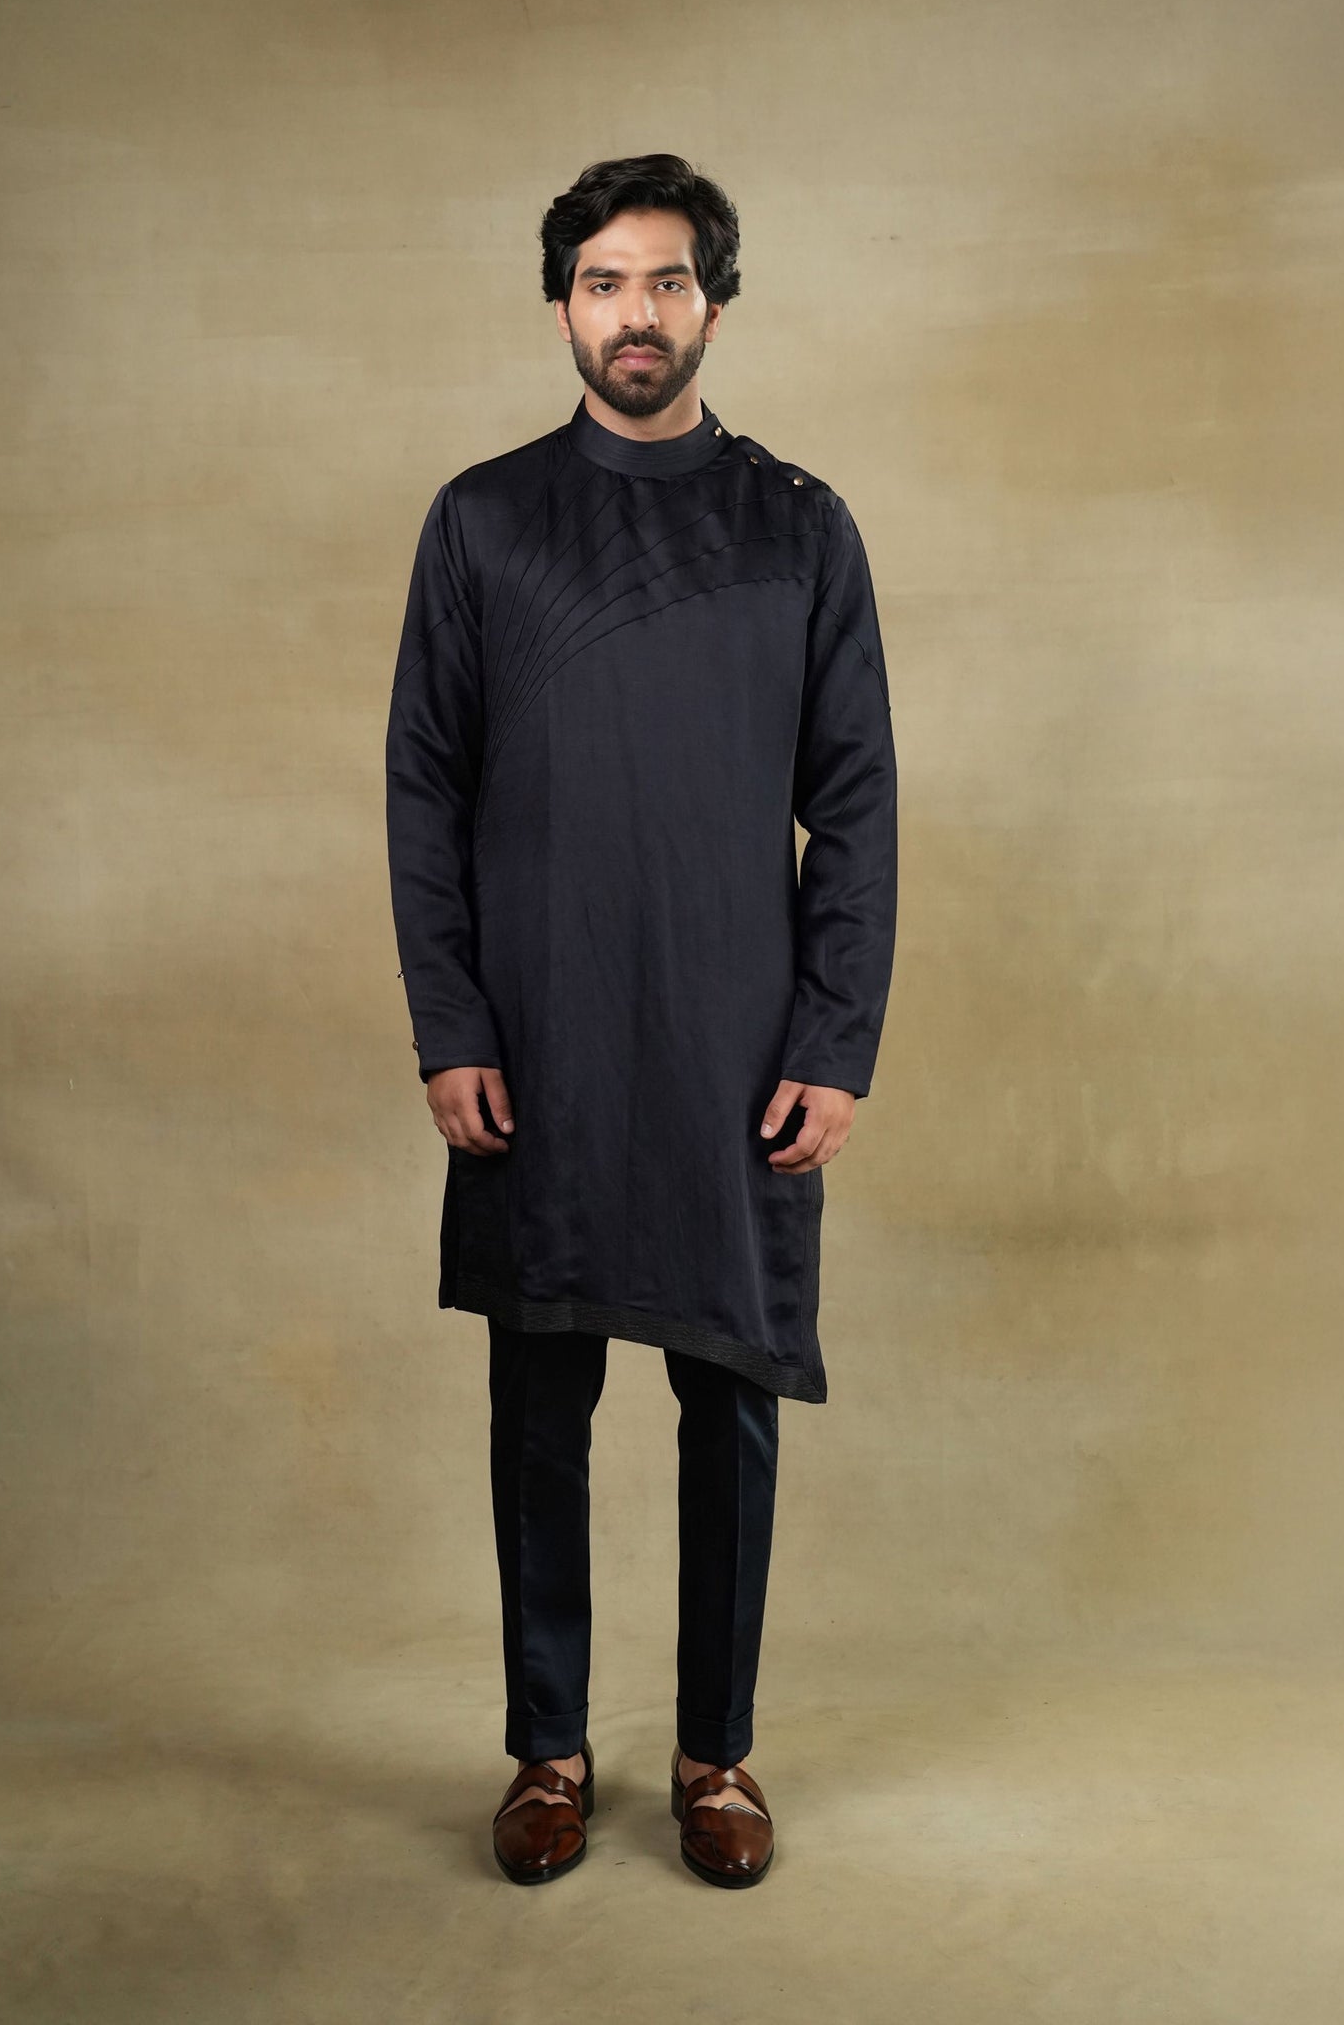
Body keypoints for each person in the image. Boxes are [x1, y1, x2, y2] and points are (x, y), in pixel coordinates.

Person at [384, 153, 898, 1887]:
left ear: (715, 309)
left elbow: (857, 803)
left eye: (668, 280)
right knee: (539, 1404)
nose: (635, 312)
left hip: (736, 1047)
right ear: (562, 308)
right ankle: (547, 1750)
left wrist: (832, 1040)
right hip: (538, 1039)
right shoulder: (485, 522)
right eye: (604, 281)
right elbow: (425, 786)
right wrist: (451, 1023)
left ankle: (714, 1756)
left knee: (727, 1405)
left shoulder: (800, 528)